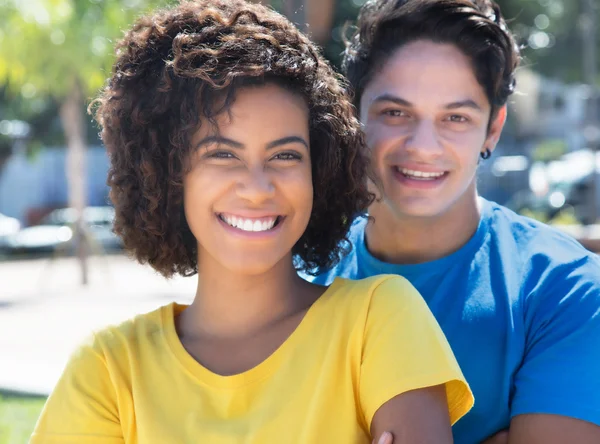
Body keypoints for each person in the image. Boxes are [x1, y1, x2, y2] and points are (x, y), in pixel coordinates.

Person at [30, 1, 474, 443]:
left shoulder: (379, 318)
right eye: (223, 154)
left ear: (318, 171)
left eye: (285, 155)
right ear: (168, 174)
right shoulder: (108, 369)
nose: (258, 187)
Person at [306, 0, 600, 443]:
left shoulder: (563, 289)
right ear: (353, 114)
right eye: (395, 113)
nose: (423, 146)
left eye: (455, 118)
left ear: (494, 128)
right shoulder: (303, 273)